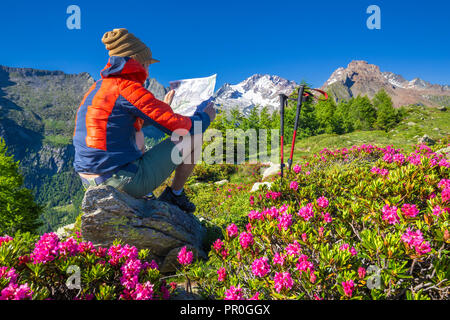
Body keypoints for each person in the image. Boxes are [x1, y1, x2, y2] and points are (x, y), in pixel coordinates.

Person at [73, 28, 215, 212]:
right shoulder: (128, 89)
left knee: (137, 135)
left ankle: (145, 193)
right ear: (138, 61)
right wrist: (206, 118)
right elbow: (182, 128)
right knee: (193, 137)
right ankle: (175, 195)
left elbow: (119, 122)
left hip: (89, 180)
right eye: (147, 64)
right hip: (118, 181)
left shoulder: (98, 88)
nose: (148, 70)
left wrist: (163, 107)